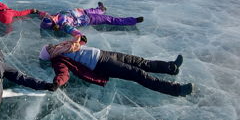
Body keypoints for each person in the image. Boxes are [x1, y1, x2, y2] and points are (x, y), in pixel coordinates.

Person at [39, 42, 193, 97]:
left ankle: (171, 67)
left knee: (140, 62)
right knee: (137, 74)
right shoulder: (58, 59)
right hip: (101, 64)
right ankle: (175, 90)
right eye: (49, 48)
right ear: (50, 54)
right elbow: (63, 73)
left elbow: (81, 42)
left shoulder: (65, 46)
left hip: (104, 54)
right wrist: (57, 83)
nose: (52, 46)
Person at [38, 3, 143, 41]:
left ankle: (101, 8)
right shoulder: (63, 24)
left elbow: (45, 14)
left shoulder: (54, 16)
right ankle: (133, 20)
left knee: (96, 10)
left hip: (81, 12)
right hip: (88, 19)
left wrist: (35, 12)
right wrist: (80, 35)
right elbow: (72, 30)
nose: (51, 17)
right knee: (110, 19)